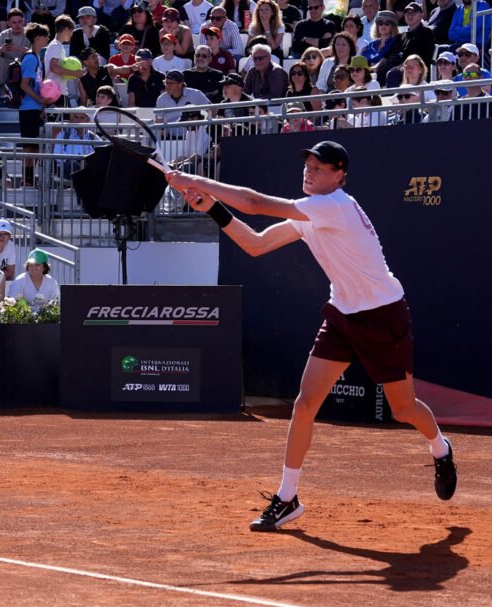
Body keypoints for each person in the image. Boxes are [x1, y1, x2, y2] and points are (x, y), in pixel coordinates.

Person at [165, 140, 457, 532]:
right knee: (304, 405)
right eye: (308, 165)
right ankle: (287, 498)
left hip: (383, 315)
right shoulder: (309, 213)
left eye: (319, 168)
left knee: (403, 410)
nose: (309, 171)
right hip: (342, 314)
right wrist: (213, 208)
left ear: (339, 176)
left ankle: (440, 447)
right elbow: (256, 244)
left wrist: (194, 180)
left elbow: (252, 202)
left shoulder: (334, 206)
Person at [18, 22, 53, 187]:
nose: (48, 38)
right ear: (37, 38)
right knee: (29, 146)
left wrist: (42, 105)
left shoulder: (36, 57)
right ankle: (27, 178)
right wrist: (40, 101)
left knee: (35, 145)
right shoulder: (31, 58)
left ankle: (31, 178)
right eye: (46, 36)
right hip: (28, 108)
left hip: (35, 108)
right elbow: (24, 84)